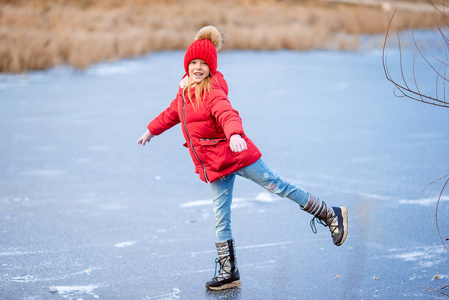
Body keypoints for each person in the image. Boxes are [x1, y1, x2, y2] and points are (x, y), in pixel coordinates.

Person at [137, 25, 348, 291]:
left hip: (238, 156)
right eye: (194, 62)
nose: (198, 67)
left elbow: (227, 114)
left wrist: (235, 134)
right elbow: (170, 114)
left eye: (204, 63)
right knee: (220, 217)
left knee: (278, 186)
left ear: (211, 67)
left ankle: (330, 213)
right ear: (187, 65)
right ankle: (229, 272)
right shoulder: (183, 93)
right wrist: (150, 131)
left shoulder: (213, 91)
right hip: (216, 166)